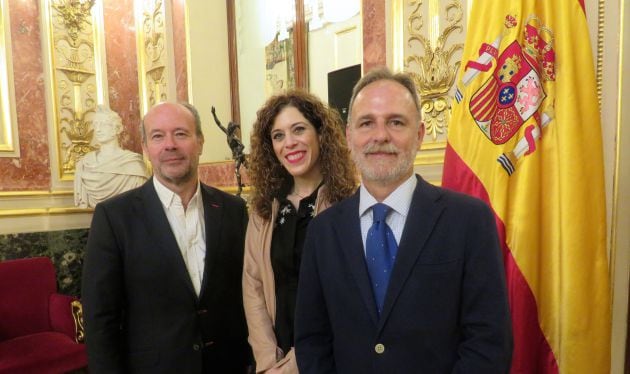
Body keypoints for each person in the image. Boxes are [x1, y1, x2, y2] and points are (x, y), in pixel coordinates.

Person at [294, 68, 513, 373]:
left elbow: (488, 342)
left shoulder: (470, 221)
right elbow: (312, 340)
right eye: (366, 123)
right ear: (349, 136)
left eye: (396, 122)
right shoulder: (323, 231)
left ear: (420, 134)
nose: (380, 136)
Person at [81, 102, 253, 373]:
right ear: (145, 148)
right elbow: (101, 318)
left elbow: (248, 296)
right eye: (158, 136)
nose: (169, 145)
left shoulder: (233, 210)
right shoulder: (114, 218)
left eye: (181, 134)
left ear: (200, 142)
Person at [242, 90, 357, 373]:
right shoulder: (263, 210)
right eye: (278, 136)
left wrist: (299, 361)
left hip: (333, 357)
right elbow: (253, 287)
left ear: (321, 134)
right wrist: (269, 362)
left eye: (298, 129)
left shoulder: (349, 203)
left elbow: (348, 295)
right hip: (275, 360)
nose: (289, 143)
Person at [74, 105, 148, 208]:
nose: (98, 130)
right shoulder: (84, 164)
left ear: (117, 129)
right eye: (95, 125)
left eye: (104, 125)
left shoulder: (133, 164)